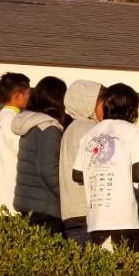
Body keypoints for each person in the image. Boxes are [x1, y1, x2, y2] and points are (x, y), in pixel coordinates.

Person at [73, 83, 139, 252]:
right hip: (125, 217)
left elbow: (77, 174)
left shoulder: (90, 134)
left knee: (103, 266)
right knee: (126, 265)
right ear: (131, 108)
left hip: (96, 217)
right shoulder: (134, 132)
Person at [12, 77, 68, 232]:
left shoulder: (31, 125)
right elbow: (47, 170)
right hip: (45, 207)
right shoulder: (49, 128)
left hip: (28, 203)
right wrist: (65, 194)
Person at [58, 80, 104, 243]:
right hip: (87, 211)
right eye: (102, 103)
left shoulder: (72, 128)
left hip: (71, 211)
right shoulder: (90, 129)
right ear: (89, 103)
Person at [0, 72, 32, 213]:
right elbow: (24, 154)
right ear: (18, 95)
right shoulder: (16, 120)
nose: (29, 97)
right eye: (28, 93)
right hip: (11, 197)